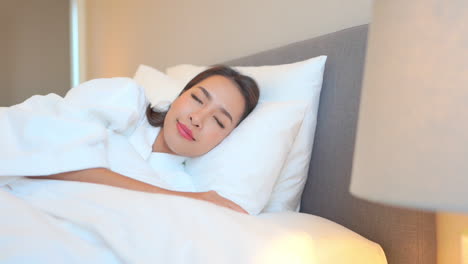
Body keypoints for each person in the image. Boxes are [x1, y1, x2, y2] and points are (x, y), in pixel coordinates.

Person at [31, 65, 260, 214]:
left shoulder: (183, 190)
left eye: (218, 121)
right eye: (197, 99)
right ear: (179, 96)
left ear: (224, 140)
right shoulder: (126, 100)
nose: (197, 118)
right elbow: (46, 150)